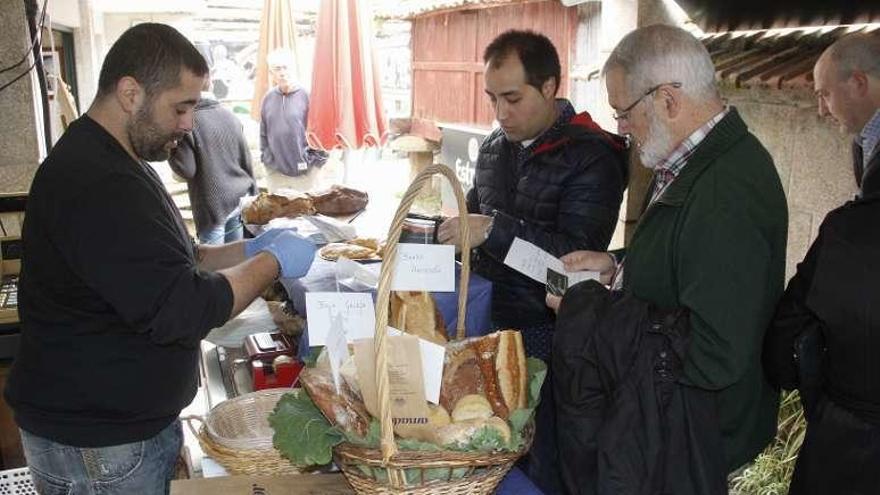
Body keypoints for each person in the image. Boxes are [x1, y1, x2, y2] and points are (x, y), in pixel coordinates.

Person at [4, 24, 316, 495]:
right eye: (181, 107)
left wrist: (249, 247)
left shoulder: (118, 161)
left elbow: (182, 259)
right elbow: (183, 307)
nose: (190, 122)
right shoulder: (97, 182)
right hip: (98, 448)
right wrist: (271, 261)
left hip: (112, 433)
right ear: (131, 93)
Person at [548, 24, 788, 492]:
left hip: (695, 436)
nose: (620, 129)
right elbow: (687, 265)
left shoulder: (725, 190)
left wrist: (590, 311)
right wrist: (617, 269)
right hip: (676, 420)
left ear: (668, 101)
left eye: (623, 113)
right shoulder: (692, 160)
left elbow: (711, 351)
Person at [436, 30, 627, 494]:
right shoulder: (494, 147)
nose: (501, 113)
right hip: (486, 322)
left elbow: (572, 269)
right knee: (481, 449)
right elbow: (476, 221)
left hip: (547, 333)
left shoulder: (592, 155)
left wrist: (493, 230)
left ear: (549, 87)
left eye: (513, 98)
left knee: (539, 459)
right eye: (492, 99)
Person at [763, 32, 880, 495]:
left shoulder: (850, 230)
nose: (821, 109)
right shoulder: (866, 141)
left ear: (858, 83)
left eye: (824, 94)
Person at [169, 78, 257, 244]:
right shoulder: (230, 115)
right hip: (238, 198)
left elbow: (187, 170)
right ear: (211, 85)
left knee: (214, 264)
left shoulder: (186, 121)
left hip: (212, 205)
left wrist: (172, 145)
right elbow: (246, 159)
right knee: (235, 258)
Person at [259, 49, 323, 192]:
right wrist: (267, 159)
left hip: (305, 175)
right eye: (277, 68)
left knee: (305, 214)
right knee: (277, 214)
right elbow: (263, 134)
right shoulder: (268, 98)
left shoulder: (308, 96)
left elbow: (321, 134)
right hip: (275, 174)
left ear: (293, 69)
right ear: (271, 73)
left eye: (285, 67)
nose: (282, 72)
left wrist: (316, 165)